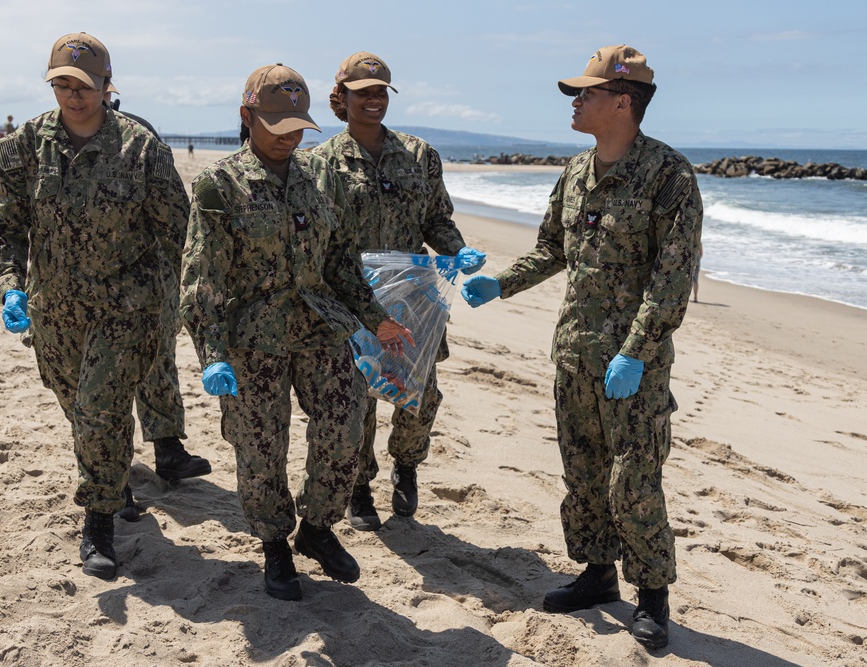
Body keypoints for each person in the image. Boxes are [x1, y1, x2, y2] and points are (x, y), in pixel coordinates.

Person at [461, 45, 702, 649]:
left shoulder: (669, 177)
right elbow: (552, 249)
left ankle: (652, 596)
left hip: (631, 365)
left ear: (623, 102)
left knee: (635, 481)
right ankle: (598, 576)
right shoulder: (574, 173)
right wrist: (502, 284)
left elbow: (671, 279)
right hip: (574, 353)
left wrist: (637, 351)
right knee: (584, 473)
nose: (575, 101)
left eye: (586, 93)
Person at [180, 63, 414, 601]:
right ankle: (275, 546)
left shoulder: (315, 180)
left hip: (320, 327)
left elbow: (338, 261)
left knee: (345, 428)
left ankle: (317, 528)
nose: (287, 137)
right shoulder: (220, 185)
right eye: (275, 125)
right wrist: (212, 352)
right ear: (247, 116)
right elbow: (202, 278)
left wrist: (372, 313)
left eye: (296, 127)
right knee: (261, 447)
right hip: (252, 337)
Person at [0, 32, 190, 581]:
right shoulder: (27, 146)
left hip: (128, 306)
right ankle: (113, 475)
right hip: (56, 309)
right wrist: (10, 286)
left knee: (100, 405)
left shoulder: (141, 148)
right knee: (78, 405)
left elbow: (180, 233)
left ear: (105, 85)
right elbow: (1, 226)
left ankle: (99, 522)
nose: (73, 95)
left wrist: (182, 305)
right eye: (62, 85)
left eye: (84, 85)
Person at [311, 51, 486, 531]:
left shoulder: (419, 155)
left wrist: (458, 251)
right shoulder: (320, 164)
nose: (373, 99)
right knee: (360, 397)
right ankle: (360, 486)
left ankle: (406, 464)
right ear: (340, 98)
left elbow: (436, 219)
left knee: (421, 395)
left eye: (381, 91)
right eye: (362, 91)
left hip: (413, 299)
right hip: (352, 300)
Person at [100, 82, 213, 522]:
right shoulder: (57, 143)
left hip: (151, 282)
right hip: (95, 289)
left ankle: (168, 449)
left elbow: (173, 216)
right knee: (106, 386)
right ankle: (112, 479)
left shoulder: (139, 135)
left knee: (158, 364)